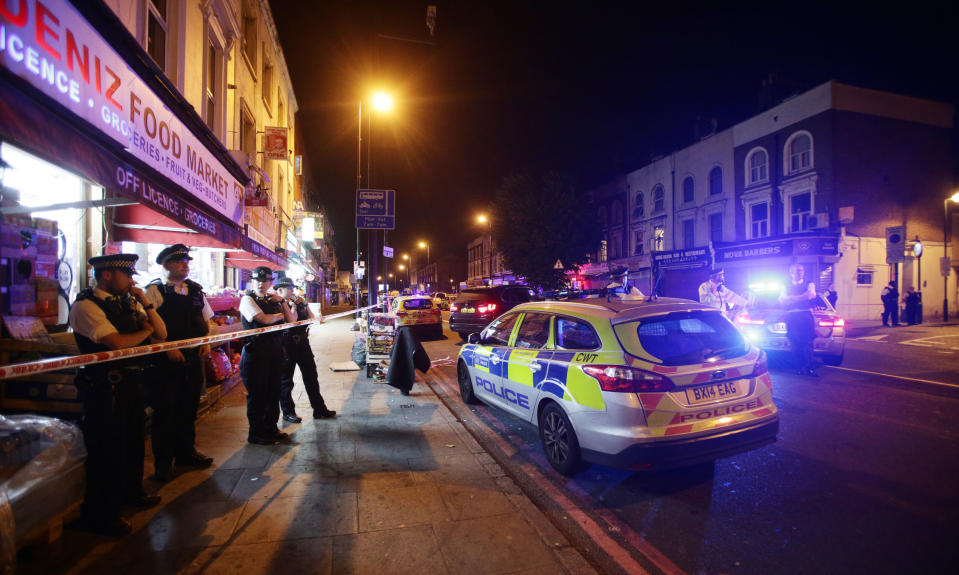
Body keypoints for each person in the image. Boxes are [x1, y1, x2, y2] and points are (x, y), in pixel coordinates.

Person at [69, 253, 167, 536]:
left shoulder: (127, 302)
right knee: (106, 450)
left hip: (131, 383)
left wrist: (146, 305)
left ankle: (131, 493)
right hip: (103, 388)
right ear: (107, 275)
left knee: (133, 442)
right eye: (127, 275)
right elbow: (116, 344)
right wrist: (142, 333)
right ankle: (101, 514)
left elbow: (160, 333)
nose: (132, 280)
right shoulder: (87, 305)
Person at [144, 244, 215, 482]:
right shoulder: (154, 291)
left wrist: (206, 341)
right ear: (165, 265)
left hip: (194, 359)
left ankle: (186, 453)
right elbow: (146, 327)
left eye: (187, 261)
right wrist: (168, 348)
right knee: (166, 412)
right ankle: (163, 464)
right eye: (180, 261)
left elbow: (207, 321)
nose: (186, 265)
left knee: (188, 408)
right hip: (167, 362)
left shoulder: (195, 290)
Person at [239, 266, 294, 445]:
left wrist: (282, 302)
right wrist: (279, 315)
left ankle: (271, 428)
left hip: (274, 352)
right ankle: (256, 433)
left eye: (265, 281)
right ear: (252, 281)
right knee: (257, 395)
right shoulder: (247, 299)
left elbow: (291, 320)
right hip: (255, 353)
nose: (261, 284)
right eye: (257, 280)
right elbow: (263, 319)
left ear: (271, 283)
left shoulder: (273, 300)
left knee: (273, 392)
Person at [274, 277, 336, 422]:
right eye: (288, 289)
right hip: (286, 343)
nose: (291, 291)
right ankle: (288, 412)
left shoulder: (297, 302)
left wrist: (305, 304)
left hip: (302, 342)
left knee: (311, 376)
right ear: (280, 290)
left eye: (292, 288)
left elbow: (312, 317)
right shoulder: (277, 304)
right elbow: (292, 320)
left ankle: (319, 409)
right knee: (286, 380)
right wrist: (293, 306)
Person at [779, 263, 819, 376]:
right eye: (797, 271)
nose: (800, 273)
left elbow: (810, 295)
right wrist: (801, 296)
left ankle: (810, 368)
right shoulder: (784, 285)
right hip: (792, 317)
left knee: (808, 343)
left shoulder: (809, 283)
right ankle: (800, 368)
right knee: (795, 343)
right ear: (791, 273)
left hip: (805, 315)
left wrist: (791, 298)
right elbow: (783, 301)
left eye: (801, 270)